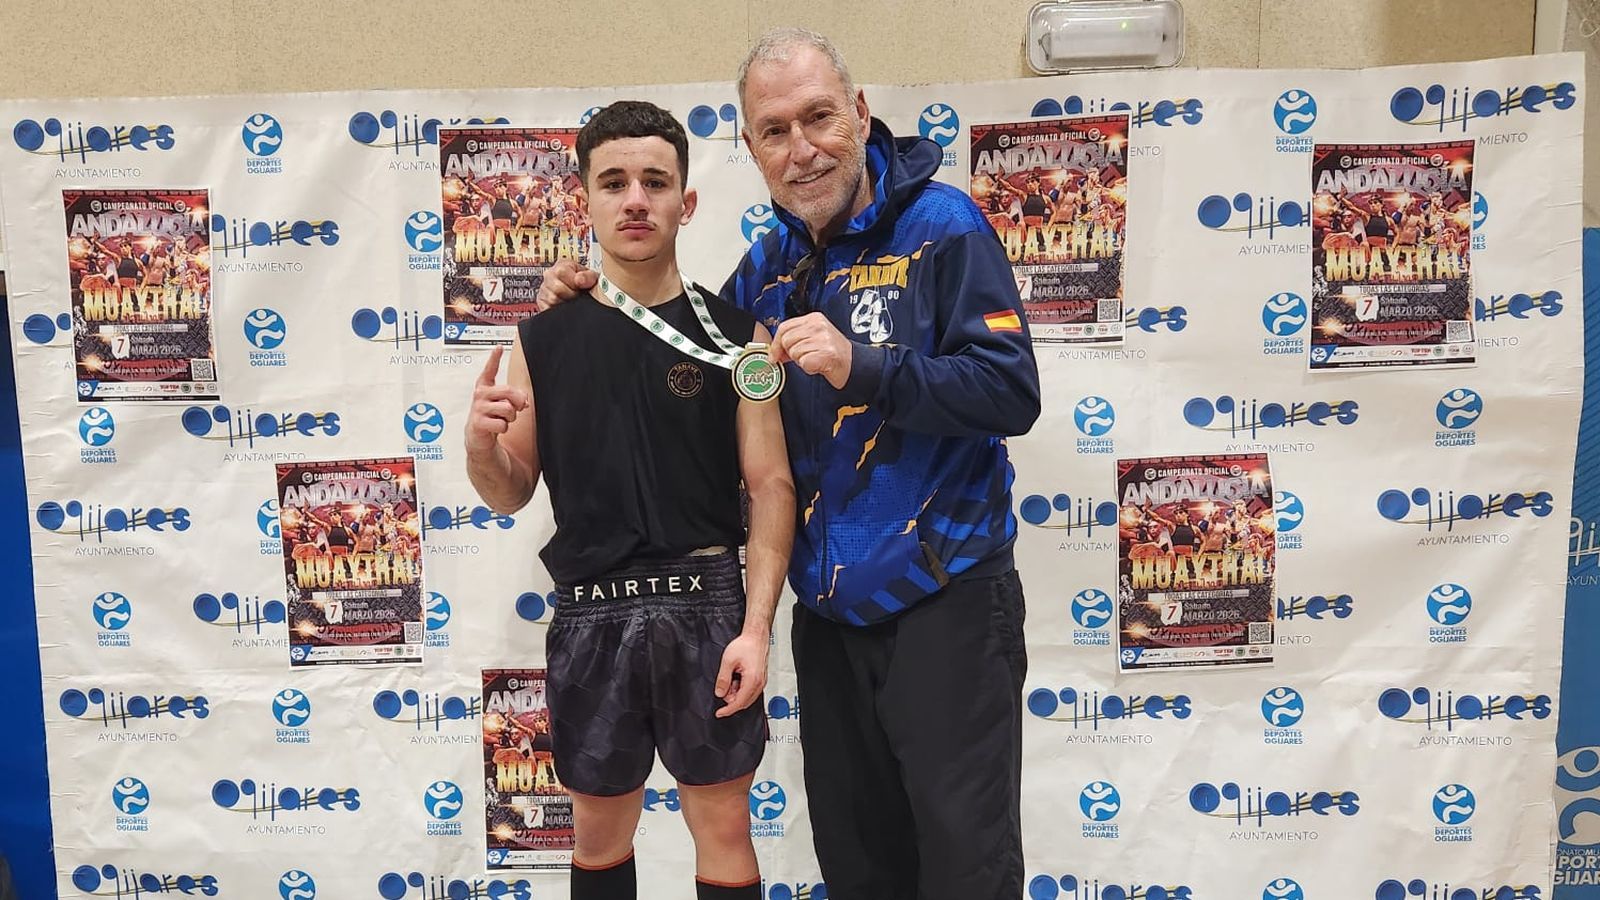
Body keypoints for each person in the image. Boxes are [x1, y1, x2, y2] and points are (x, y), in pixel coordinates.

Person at [537, 27, 1041, 900]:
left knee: (966, 866)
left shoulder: (944, 226)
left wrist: (864, 366)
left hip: (947, 600)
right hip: (829, 617)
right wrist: (585, 302)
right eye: (775, 130)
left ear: (861, 113)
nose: (801, 149)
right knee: (859, 866)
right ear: (752, 149)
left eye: (818, 118)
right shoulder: (767, 269)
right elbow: (682, 360)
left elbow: (1011, 391)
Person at [464, 100, 795, 900]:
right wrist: (478, 447)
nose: (636, 199)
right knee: (598, 835)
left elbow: (772, 487)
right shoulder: (541, 338)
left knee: (724, 828)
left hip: (707, 605)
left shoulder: (739, 338)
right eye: (614, 182)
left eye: (655, 181)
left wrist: (755, 629)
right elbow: (510, 490)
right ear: (584, 199)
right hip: (591, 611)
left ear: (687, 201)